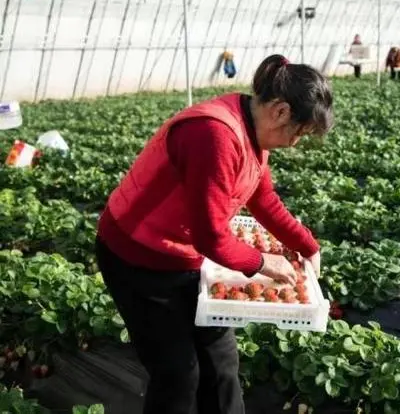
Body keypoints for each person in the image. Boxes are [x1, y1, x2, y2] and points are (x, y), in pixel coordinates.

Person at [94, 54, 332, 414]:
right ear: (280, 111)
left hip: (187, 256)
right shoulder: (214, 135)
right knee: (178, 372)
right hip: (138, 258)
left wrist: (307, 245)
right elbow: (210, 237)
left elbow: (262, 198)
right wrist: (263, 261)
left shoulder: (251, 130)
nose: (295, 144)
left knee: (220, 362)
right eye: (298, 134)